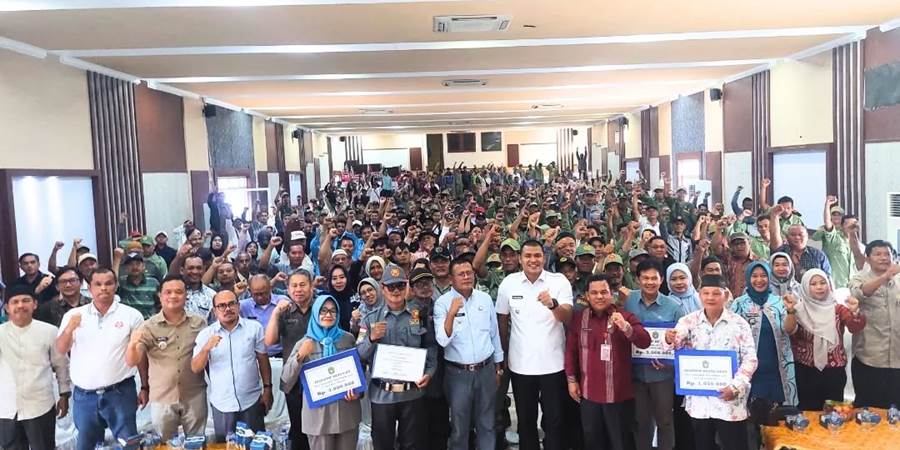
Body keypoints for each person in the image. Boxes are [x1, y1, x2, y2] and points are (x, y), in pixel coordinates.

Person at [56, 268, 148, 450]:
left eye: (108, 283)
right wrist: (69, 329)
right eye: (98, 284)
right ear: (89, 288)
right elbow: (61, 349)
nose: (103, 288)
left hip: (120, 392)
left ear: (116, 285)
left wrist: (145, 386)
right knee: (86, 445)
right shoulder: (74, 316)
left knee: (128, 444)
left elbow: (139, 357)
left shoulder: (131, 315)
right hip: (84, 395)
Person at [664, 275, 758, 450]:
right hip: (700, 402)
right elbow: (674, 343)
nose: (710, 298)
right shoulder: (689, 321)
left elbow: (750, 359)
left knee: (735, 445)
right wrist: (670, 338)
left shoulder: (739, 324)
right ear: (699, 295)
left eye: (716, 293)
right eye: (706, 293)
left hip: (730, 401)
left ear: (726, 295)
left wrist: (736, 387)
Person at [496, 240, 573, 450]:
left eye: (537, 255)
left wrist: (553, 304)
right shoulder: (508, 283)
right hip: (521, 366)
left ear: (544, 257)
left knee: (554, 420)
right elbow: (502, 320)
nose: (533, 260)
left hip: (554, 365)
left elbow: (567, 317)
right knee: (526, 421)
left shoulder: (559, 281)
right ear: (520, 259)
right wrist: (503, 355)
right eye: (528, 256)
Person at [564, 274, 650, 450]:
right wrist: (571, 380)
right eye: (594, 293)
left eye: (604, 292)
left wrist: (625, 327)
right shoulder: (579, 318)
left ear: (612, 294)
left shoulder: (625, 316)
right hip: (589, 395)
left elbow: (645, 341)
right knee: (593, 442)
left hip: (619, 396)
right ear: (587, 296)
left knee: (621, 442)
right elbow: (571, 351)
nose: (599, 296)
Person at [356, 264, 437, 450]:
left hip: (412, 393)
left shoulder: (419, 314)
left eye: (400, 285)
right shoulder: (370, 318)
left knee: (413, 445)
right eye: (391, 286)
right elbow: (359, 354)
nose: (396, 291)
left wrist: (430, 372)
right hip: (382, 395)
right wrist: (371, 338)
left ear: (406, 286)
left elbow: (431, 346)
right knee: (383, 445)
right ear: (382, 288)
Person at [124, 275, 208, 440]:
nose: (173, 296)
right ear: (160, 296)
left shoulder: (199, 323)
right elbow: (132, 361)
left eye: (179, 292)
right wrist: (132, 344)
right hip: (162, 397)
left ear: (186, 295)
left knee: (196, 442)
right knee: (165, 444)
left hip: (194, 395)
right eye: (168, 292)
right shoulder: (148, 327)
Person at [434, 259, 504, 450]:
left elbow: (494, 333)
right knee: (459, 427)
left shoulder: (484, 299)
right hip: (458, 374)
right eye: (461, 274)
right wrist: (452, 313)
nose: (466, 277)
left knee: (487, 423)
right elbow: (442, 340)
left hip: (486, 369)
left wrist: (498, 366)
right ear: (451, 278)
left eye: (469, 273)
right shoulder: (442, 303)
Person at [191, 290, 273, 442]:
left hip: (251, 401)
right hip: (222, 404)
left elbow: (263, 359)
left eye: (231, 304)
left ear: (238, 306)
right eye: (222, 306)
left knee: (256, 444)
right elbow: (196, 368)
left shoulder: (254, 328)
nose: (227, 309)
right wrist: (206, 348)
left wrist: (268, 389)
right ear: (215, 311)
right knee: (225, 446)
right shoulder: (206, 334)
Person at [281, 295, 361, 450]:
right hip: (318, 417)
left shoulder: (347, 339)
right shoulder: (304, 343)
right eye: (323, 311)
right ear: (315, 313)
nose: (328, 315)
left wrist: (358, 392)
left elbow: (358, 371)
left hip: (346, 413)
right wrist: (300, 356)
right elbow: (286, 379)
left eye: (333, 311)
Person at [0, 285, 71, 450]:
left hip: (40, 405)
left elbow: (61, 365)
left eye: (26, 300)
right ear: (7, 308)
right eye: (15, 302)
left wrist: (64, 394)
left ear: (35, 304)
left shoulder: (49, 331)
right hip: (5, 408)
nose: (20, 305)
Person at [784, 269, 865, 410]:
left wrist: (855, 312)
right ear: (805, 287)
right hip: (807, 371)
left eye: (823, 283)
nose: (819, 287)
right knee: (809, 412)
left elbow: (855, 328)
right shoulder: (799, 309)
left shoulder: (838, 309)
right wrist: (791, 311)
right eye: (813, 284)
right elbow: (789, 330)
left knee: (834, 413)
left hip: (834, 371)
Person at [624, 260, 683, 450]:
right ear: (638, 279)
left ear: (661, 279)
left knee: (664, 421)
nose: (650, 282)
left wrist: (669, 361)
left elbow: (682, 342)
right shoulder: (627, 301)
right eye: (645, 278)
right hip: (635, 374)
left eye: (654, 278)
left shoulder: (673, 307)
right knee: (641, 422)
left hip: (662, 375)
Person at [848, 240, 900, 408]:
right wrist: (885, 277)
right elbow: (860, 293)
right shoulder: (859, 278)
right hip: (870, 358)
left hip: (898, 357)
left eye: (887, 254)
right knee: (869, 410)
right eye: (878, 254)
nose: (883, 258)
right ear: (867, 258)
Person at [267, 271, 315, 450]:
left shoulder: (321, 308)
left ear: (311, 286)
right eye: (294, 286)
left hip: (318, 376)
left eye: (303, 285)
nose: (298, 289)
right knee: (298, 427)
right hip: (293, 378)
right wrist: (275, 313)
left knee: (318, 428)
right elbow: (270, 340)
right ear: (287, 289)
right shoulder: (285, 311)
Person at [810, 196, 865, 289]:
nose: (851, 227)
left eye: (854, 224)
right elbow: (827, 223)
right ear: (842, 226)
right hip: (836, 286)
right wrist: (827, 204)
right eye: (848, 224)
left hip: (853, 286)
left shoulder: (861, 247)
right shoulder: (834, 238)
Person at [769, 210, 831, 280]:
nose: (797, 237)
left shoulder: (818, 255)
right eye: (793, 235)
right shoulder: (782, 251)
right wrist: (774, 215)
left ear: (807, 236)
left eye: (800, 234)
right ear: (787, 237)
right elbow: (774, 235)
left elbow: (827, 278)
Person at [240, 274, 289, 357]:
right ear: (249, 291)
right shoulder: (243, 306)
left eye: (263, 293)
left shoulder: (281, 301)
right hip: (254, 355)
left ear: (270, 288)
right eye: (256, 294)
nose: (260, 297)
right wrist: (236, 293)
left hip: (280, 353)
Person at [117, 252, 161, 319]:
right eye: (131, 264)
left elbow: (161, 304)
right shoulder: (121, 282)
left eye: (138, 264)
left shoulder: (153, 283)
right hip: (129, 322)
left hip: (149, 321)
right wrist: (117, 259)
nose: (134, 267)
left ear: (143, 266)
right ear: (126, 268)